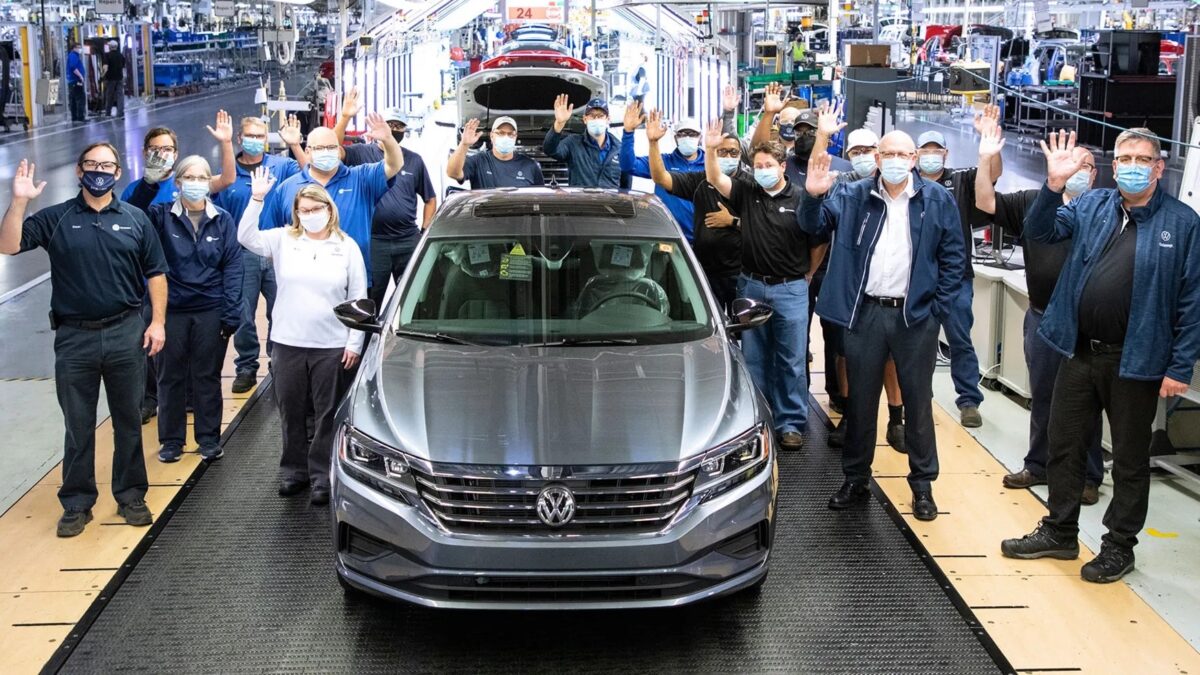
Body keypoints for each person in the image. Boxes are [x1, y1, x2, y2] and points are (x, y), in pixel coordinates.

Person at [1001, 129, 1200, 583]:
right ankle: (1060, 530)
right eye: (1124, 158)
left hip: (1137, 359)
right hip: (1079, 350)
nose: (1131, 166)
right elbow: (1041, 231)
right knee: (1064, 443)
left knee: (1129, 459)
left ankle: (1119, 547)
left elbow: (1193, 301)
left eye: (1141, 159)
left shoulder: (1183, 223)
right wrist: (1053, 187)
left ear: (1158, 167)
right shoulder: (1092, 205)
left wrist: (1179, 366)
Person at [0, 145, 168, 536]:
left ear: (118, 172)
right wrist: (19, 202)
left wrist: (157, 322)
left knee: (129, 420)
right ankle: (77, 503)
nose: (99, 171)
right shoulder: (56, 218)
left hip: (126, 332)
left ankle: (131, 496)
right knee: (78, 425)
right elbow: (8, 245)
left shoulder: (136, 219)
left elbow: (156, 273)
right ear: (79, 171)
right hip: (74, 338)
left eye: (107, 165)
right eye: (92, 164)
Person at [800, 131, 966, 521]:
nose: (895, 160)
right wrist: (812, 196)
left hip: (915, 317)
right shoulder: (852, 195)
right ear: (877, 158)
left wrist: (935, 310)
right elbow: (813, 226)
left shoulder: (936, 200)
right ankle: (855, 479)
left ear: (913, 159)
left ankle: (922, 486)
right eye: (887, 154)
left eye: (902, 154)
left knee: (918, 404)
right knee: (860, 402)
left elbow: (954, 258)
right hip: (866, 314)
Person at [974, 124, 1105, 504]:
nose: (1075, 171)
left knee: (1087, 401)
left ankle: (1088, 475)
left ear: (1094, 175)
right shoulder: (1034, 202)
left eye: (1084, 166)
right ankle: (1039, 464)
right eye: (1068, 163)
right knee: (1043, 394)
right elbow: (985, 201)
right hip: (1043, 317)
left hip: (1085, 325)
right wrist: (985, 157)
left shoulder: (1105, 211)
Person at [238, 173, 368, 506]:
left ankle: (322, 474)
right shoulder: (284, 239)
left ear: (329, 209)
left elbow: (358, 297)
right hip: (288, 342)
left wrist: (354, 343)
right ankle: (293, 470)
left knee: (326, 413)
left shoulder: (346, 246)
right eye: (304, 210)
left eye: (315, 209)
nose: (310, 215)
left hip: (331, 345)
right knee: (291, 409)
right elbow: (246, 237)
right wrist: (256, 199)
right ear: (296, 213)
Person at [703, 119, 818, 452]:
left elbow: (819, 240)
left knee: (791, 359)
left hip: (791, 289)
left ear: (783, 166)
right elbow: (715, 178)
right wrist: (710, 149)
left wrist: (808, 274)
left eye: (769, 165)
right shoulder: (747, 192)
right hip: (752, 286)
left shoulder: (800, 197)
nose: (763, 170)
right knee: (754, 357)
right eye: (758, 166)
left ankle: (790, 422)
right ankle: (758, 419)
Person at [124, 113, 238, 420]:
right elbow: (129, 219)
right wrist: (148, 183)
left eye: (167, 148)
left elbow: (226, 179)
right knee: (153, 346)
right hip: (152, 283)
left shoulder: (192, 182)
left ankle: (190, 401)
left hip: (194, 289)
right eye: (155, 149)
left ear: (176, 153)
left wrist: (227, 143)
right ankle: (150, 399)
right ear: (145, 152)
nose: (161, 154)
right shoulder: (138, 190)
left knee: (193, 359)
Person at [145, 156, 242, 463]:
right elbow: (135, 217)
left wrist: (231, 312)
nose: (196, 183)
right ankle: (171, 440)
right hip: (171, 311)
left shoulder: (222, 219)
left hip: (210, 310)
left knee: (207, 376)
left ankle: (209, 438)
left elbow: (233, 266)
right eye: (190, 177)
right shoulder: (160, 216)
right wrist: (149, 183)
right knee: (169, 377)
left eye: (202, 178)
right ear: (178, 183)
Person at [818, 125, 906, 453]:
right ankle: (849, 414)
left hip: (891, 291)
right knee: (844, 352)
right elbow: (819, 221)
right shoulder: (842, 187)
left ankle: (896, 418)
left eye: (868, 151)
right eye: (855, 152)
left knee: (891, 357)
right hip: (851, 288)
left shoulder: (904, 190)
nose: (863, 157)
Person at [260, 113, 404, 306]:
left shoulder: (361, 179)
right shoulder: (287, 188)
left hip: (352, 280)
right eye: (320, 148)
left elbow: (394, 165)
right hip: (302, 284)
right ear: (308, 151)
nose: (327, 152)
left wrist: (388, 140)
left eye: (331, 147)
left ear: (339, 150)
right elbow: (271, 239)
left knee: (353, 325)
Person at [913, 113, 1001, 428]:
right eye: (925, 150)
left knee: (960, 339)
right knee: (918, 344)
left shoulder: (961, 180)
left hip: (956, 279)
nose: (931, 155)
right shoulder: (908, 184)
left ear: (946, 154)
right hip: (918, 279)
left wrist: (988, 147)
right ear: (916, 154)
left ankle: (968, 400)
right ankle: (918, 401)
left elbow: (992, 174)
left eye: (936, 150)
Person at [213, 115, 303, 394]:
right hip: (243, 256)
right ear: (240, 138)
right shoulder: (229, 175)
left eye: (260, 136)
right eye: (250, 136)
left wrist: (295, 145)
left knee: (283, 310)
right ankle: (246, 367)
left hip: (278, 251)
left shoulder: (281, 167)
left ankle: (279, 363)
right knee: (244, 315)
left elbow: (310, 173)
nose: (255, 141)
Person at [331, 92, 435, 306]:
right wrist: (345, 117)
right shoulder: (361, 153)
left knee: (416, 299)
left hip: (407, 239)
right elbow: (333, 149)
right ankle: (369, 330)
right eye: (390, 125)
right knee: (371, 299)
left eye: (399, 126)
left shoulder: (414, 160)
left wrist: (424, 231)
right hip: (374, 241)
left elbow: (430, 199)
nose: (394, 130)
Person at [644, 109, 748, 313]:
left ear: (740, 155)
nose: (728, 156)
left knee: (742, 324)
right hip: (704, 271)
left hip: (741, 273)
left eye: (733, 152)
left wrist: (732, 221)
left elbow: (762, 227)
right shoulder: (700, 180)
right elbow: (661, 178)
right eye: (722, 152)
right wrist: (653, 143)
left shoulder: (751, 185)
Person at [620, 86, 740, 242]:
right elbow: (628, 166)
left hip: (707, 239)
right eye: (683, 134)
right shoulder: (661, 163)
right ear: (675, 137)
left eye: (692, 134)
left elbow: (728, 142)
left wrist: (728, 113)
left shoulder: (712, 165)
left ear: (700, 137)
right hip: (668, 237)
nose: (687, 137)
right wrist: (628, 132)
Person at [752, 84, 852, 187]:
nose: (804, 137)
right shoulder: (785, 166)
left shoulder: (844, 167)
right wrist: (769, 114)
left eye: (811, 132)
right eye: (798, 133)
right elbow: (758, 151)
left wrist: (823, 135)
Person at [544, 95, 628, 189]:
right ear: (585, 119)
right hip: (581, 198)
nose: (596, 119)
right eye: (592, 116)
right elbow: (550, 150)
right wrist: (559, 123)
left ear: (608, 119)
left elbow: (626, 188)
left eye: (601, 116)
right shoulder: (573, 143)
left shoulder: (619, 149)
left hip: (610, 199)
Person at [447, 116, 544, 189]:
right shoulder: (479, 161)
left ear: (515, 137)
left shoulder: (531, 166)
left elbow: (540, 200)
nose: (506, 137)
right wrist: (464, 144)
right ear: (492, 136)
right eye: (501, 133)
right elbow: (453, 173)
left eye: (510, 134)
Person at [101, 40, 124, 118]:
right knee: (120, 96)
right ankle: (120, 113)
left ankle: (108, 113)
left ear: (110, 47)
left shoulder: (107, 55)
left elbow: (105, 67)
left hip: (110, 79)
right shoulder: (121, 55)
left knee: (109, 95)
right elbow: (123, 66)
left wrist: (102, 76)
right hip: (119, 78)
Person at [66, 43, 86, 123]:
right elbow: (73, 67)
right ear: (74, 48)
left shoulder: (73, 56)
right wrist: (80, 76)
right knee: (80, 98)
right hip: (76, 80)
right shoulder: (73, 56)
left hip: (73, 81)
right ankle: (80, 117)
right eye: (78, 47)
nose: (80, 49)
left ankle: (75, 118)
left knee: (74, 99)